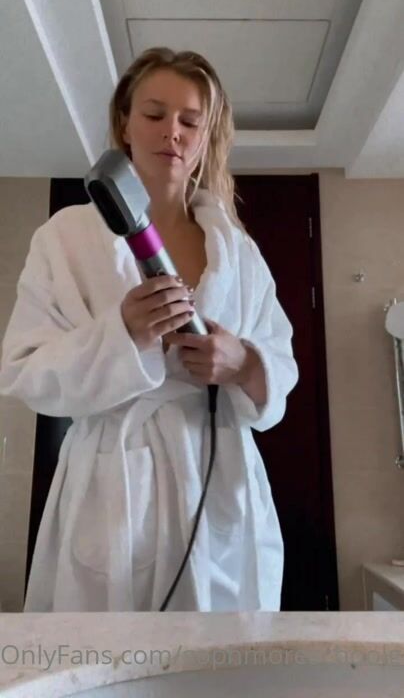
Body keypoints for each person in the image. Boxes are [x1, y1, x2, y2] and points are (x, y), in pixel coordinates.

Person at [0, 47, 298, 612]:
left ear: (206, 138)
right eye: (155, 114)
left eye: (190, 121)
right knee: (107, 653)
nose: (172, 133)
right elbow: (23, 370)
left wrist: (243, 363)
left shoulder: (240, 252)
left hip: (218, 478)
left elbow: (279, 365)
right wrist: (123, 334)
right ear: (124, 125)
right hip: (111, 480)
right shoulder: (65, 236)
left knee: (219, 652)